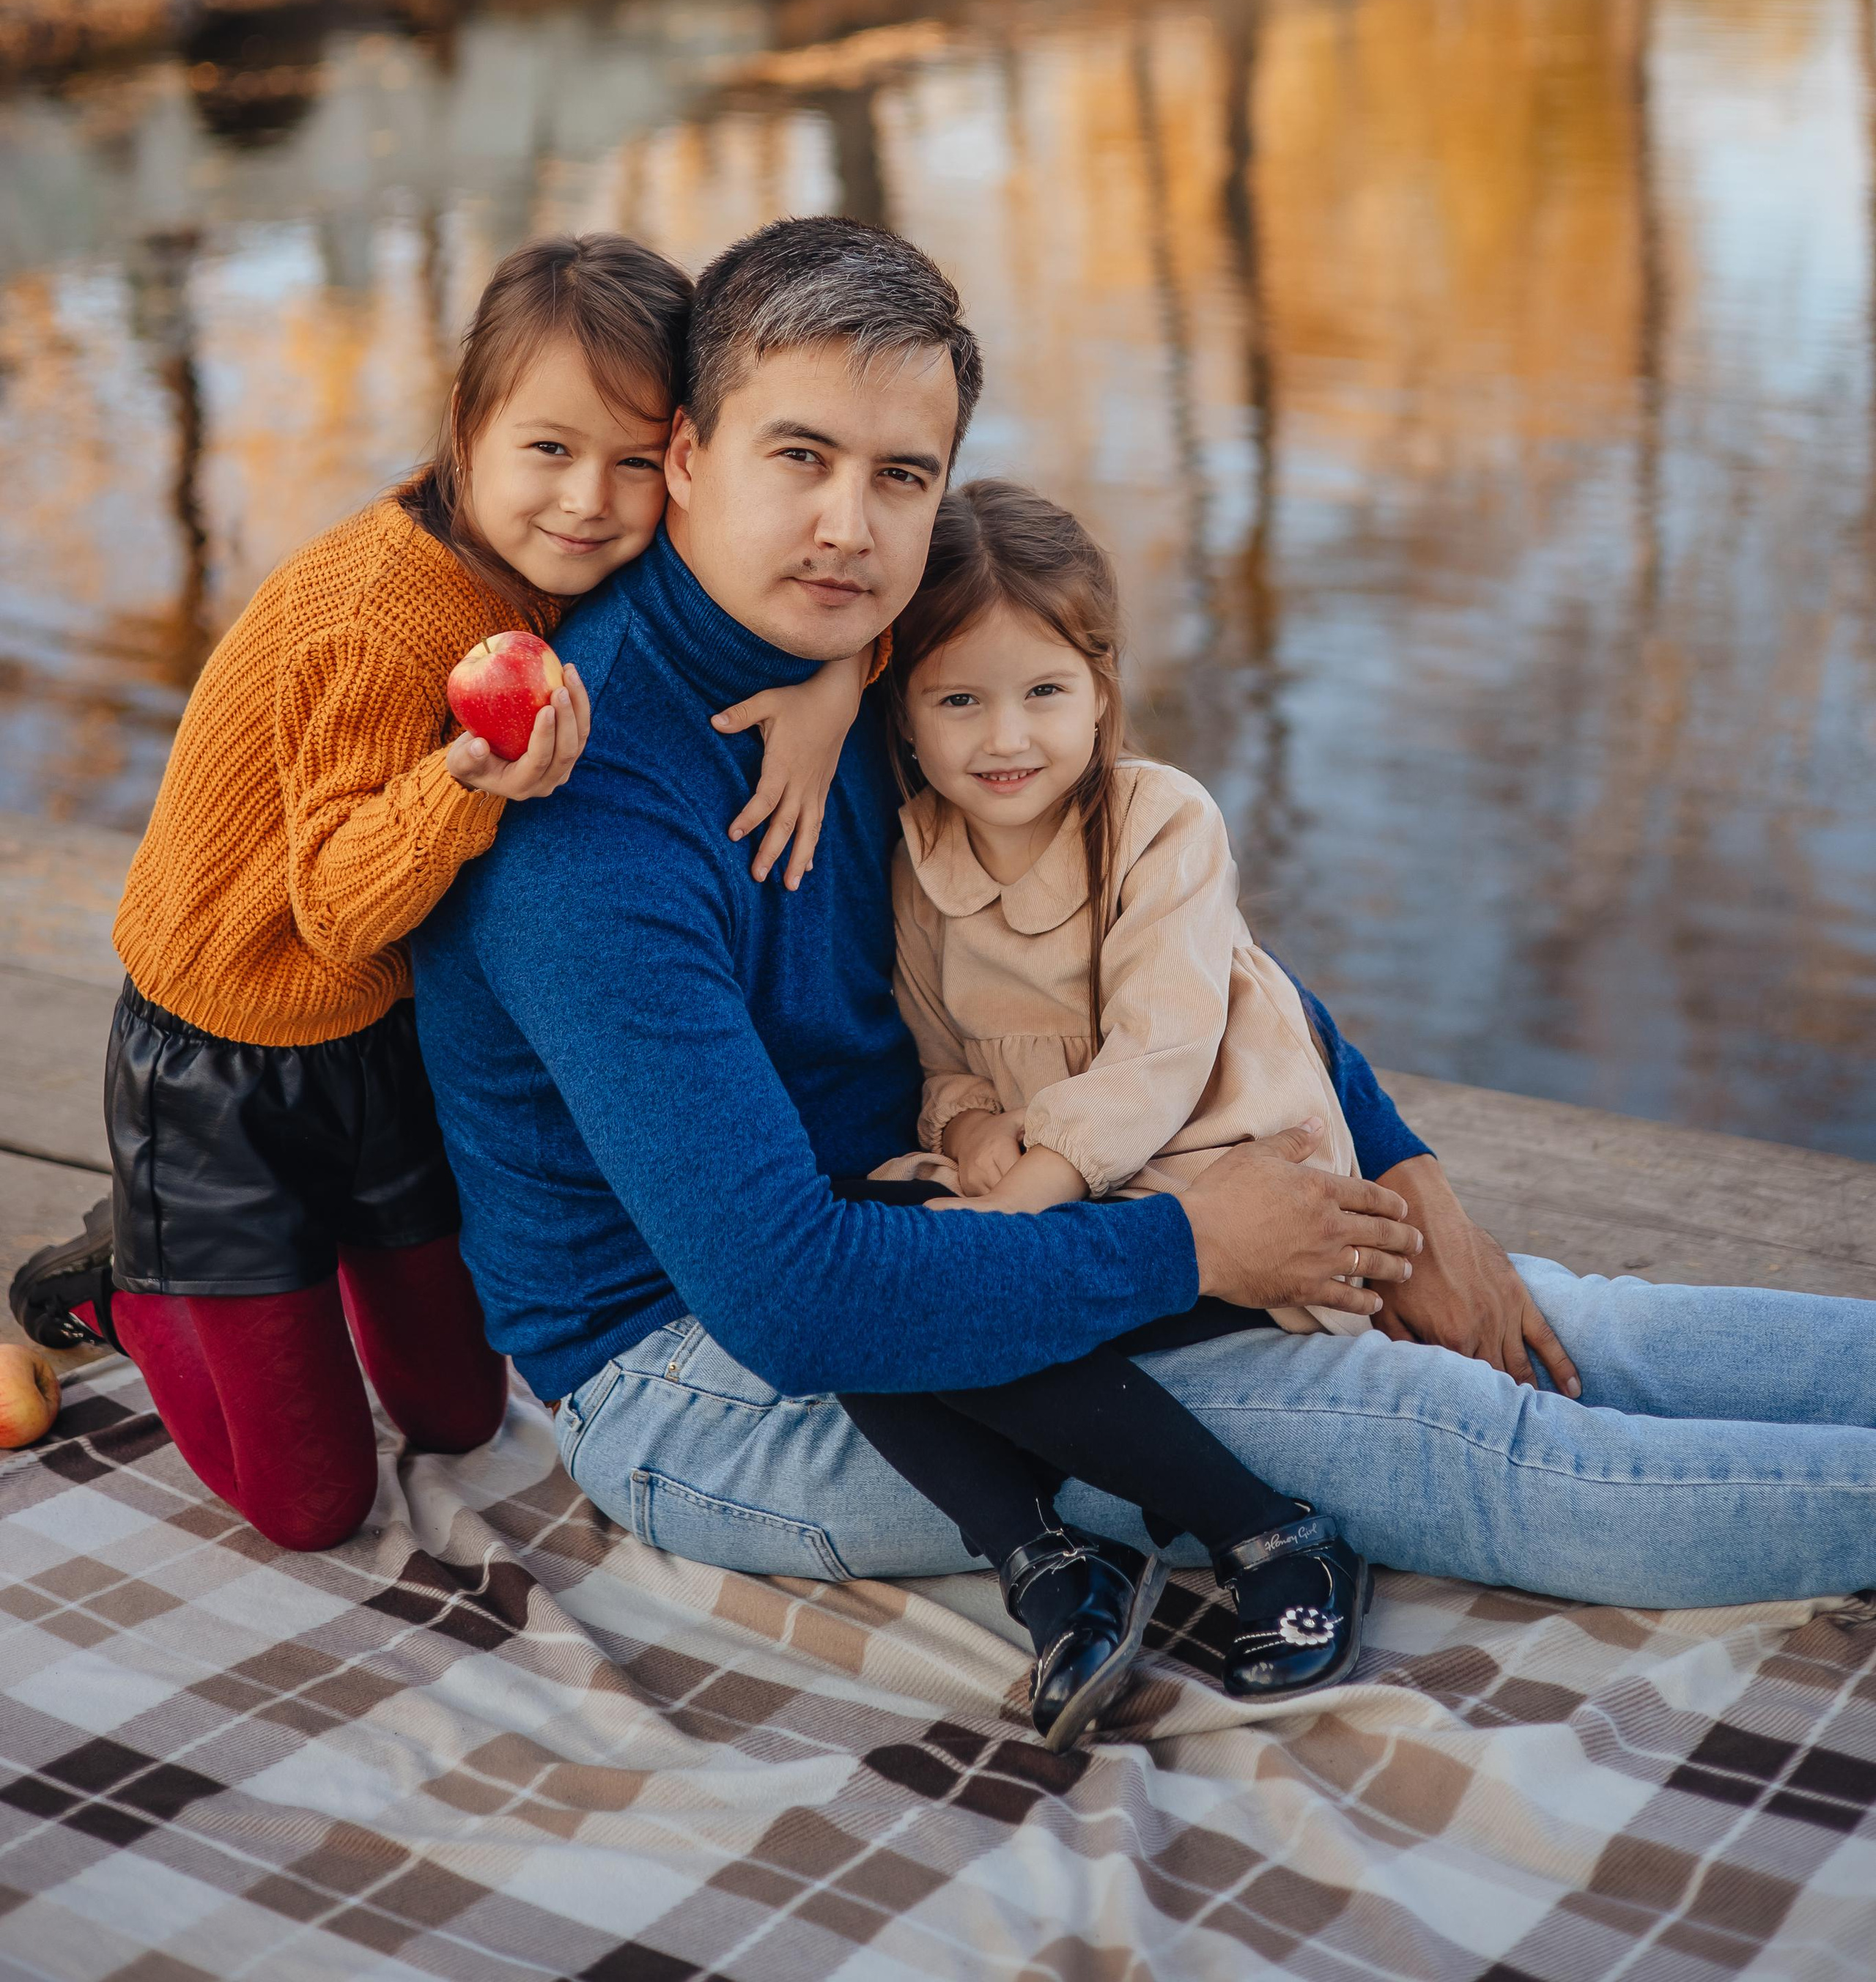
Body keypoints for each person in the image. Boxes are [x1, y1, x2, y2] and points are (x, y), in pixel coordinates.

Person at [412, 212, 1874, 1664]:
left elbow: (1164, 937)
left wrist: (1408, 1186)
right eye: (797, 457)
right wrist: (1185, 1247)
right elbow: (791, 1299)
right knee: (1429, 1430)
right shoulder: (584, 810)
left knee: (1551, 1322)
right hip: (705, 1367)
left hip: (974, 1205)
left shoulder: (886, 669)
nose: (847, 526)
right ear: (686, 459)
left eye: (899, 475)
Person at [10, 234, 867, 1550]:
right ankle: (130, 1279)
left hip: (379, 1041)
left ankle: (260, 1294)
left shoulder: (573, 560)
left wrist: (835, 679)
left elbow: (896, 552)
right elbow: (338, 910)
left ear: (685, 462)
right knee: (315, 1508)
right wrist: (473, 784)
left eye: (637, 462)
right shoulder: (376, 619)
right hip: (223, 1056)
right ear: (466, 429)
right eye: (550, 450)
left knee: (462, 1415)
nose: (590, 499)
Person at [838, 478, 1388, 1747]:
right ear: (905, 717)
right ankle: (1045, 1565)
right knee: (849, 1265)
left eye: (1043, 690)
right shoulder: (918, 856)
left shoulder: (1160, 822)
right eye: (957, 699)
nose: (1005, 735)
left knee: (964, 1292)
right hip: (1057, 1193)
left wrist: (1025, 1208)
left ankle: (1273, 1536)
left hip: (1221, 1187)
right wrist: (977, 1143)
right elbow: (942, 1057)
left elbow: (1159, 1054)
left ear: (1097, 688)